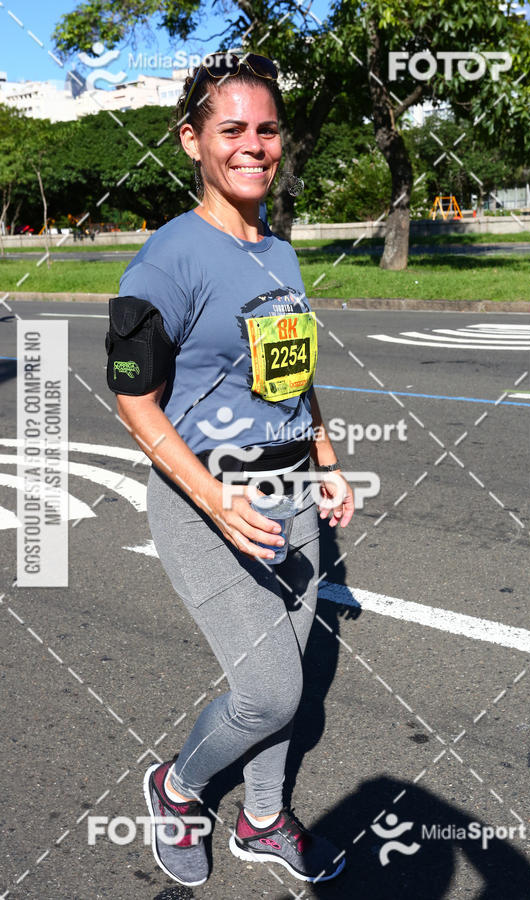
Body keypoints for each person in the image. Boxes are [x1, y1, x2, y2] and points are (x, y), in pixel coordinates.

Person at [105, 52, 354, 888]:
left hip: (291, 497)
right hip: (208, 499)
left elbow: (291, 368)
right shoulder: (167, 261)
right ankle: (176, 791)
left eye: (268, 129)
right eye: (231, 129)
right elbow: (134, 400)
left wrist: (325, 459)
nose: (254, 145)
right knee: (274, 692)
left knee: (286, 678)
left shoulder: (278, 254)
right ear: (191, 141)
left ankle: (258, 818)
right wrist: (213, 501)